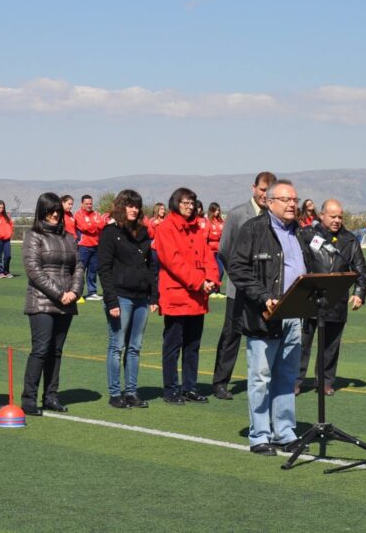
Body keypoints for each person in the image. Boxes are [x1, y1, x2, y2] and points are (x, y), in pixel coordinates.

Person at [229, 179, 306, 455]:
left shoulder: (300, 231)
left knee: (287, 375)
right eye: (286, 200)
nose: (292, 205)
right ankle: (259, 435)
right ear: (269, 202)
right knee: (261, 376)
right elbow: (237, 268)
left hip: (295, 313)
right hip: (264, 314)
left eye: (294, 200)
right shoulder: (253, 229)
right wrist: (263, 296)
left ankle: (284, 432)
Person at [210, 170, 276, 401]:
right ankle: (220, 382)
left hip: (267, 292)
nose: (265, 195)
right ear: (254, 188)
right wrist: (241, 279)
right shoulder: (238, 214)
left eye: (269, 191)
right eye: (262, 189)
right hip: (238, 288)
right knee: (231, 335)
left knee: (265, 336)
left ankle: (266, 382)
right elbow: (225, 250)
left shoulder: (275, 216)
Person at [153, 187, 220, 405]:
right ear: (175, 203)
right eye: (185, 203)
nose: (189, 207)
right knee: (172, 346)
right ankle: (171, 389)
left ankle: (190, 387)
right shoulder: (165, 228)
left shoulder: (196, 229)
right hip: (177, 296)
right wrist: (200, 282)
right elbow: (173, 262)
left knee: (193, 345)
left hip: (197, 298)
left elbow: (209, 256)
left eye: (192, 203)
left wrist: (212, 279)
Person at [21, 192, 84, 416]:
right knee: (41, 349)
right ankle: (29, 399)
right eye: (50, 210)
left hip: (66, 301)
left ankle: (50, 397)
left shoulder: (69, 238)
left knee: (56, 351)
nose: (55, 214)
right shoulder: (33, 236)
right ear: (42, 211)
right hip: (41, 301)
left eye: (57, 210)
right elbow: (34, 271)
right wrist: (60, 294)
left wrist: (75, 292)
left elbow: (78, 267)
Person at [296, 199, 366, 396]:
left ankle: (325, 381)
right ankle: (295, 380)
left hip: (336, 301)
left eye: (340, 217)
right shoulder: (307, 234)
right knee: (302, 344)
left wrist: (359, 293)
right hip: (308, 298)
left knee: (331, 346)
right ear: (322, 215)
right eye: (333, 216)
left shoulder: (350, 240)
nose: (337, 220)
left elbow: (360, 269)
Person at [97, 189, 158, 409]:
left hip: (141, 298)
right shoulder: (110, 233)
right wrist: (112, 301)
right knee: (117, 346)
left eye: (136, 206)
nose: (134, 209)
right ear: (120, 207)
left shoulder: (143, 233)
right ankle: (115, 393)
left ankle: (131, 392)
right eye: (129, 205)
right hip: (120, 298)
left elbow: (151, 266)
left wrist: (154, 296)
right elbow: (103, 269)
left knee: (135, 347)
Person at [75, 194, 107, 301]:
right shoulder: (78, 214)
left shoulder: (96, 213)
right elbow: (85, 227)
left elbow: (102, 225)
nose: (89, 205)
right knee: (80, 270)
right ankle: (76, 293)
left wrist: (92, 225)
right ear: (82, 204)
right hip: (83, 247)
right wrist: (95, 225)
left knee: (93, 271)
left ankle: (92, 292)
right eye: (87, 204)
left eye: (91, 203)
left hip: (96, 246)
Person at [206, 202, 225, 285]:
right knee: (213, 271)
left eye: (218, 210)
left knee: (221, 270)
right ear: (212, 211)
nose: (217, 212)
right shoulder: (209, 222)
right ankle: (213, 290)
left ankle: (217, 289)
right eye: (216, 210)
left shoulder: (221, 222)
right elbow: (205, 237)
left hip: (219, 250)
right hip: (210, 251)